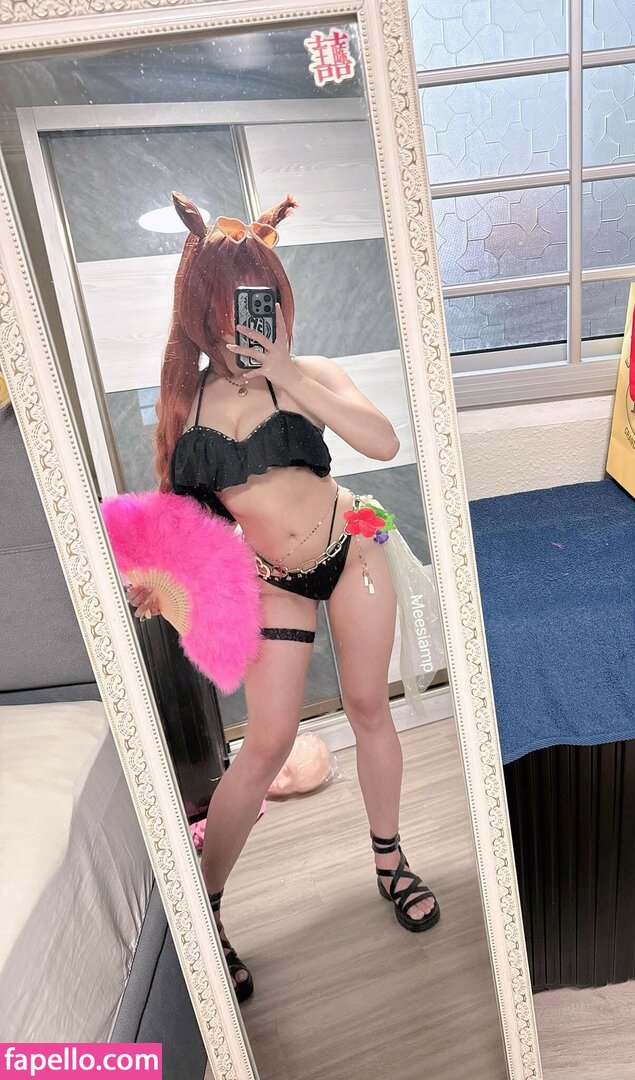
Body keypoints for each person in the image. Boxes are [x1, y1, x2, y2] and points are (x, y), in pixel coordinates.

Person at [128, 191, 440, 1003]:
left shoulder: (307, 376)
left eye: (259, 302)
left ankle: (389, 860)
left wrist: (287, 370)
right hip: (273, 580)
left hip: (354, 544)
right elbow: (189, 520)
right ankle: (207, 908)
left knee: (368, 706)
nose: (245, 323)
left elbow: (382, 441)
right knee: (265, 743)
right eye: (229, 308)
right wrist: (162, 581)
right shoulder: (187, 406)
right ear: (201, 313)